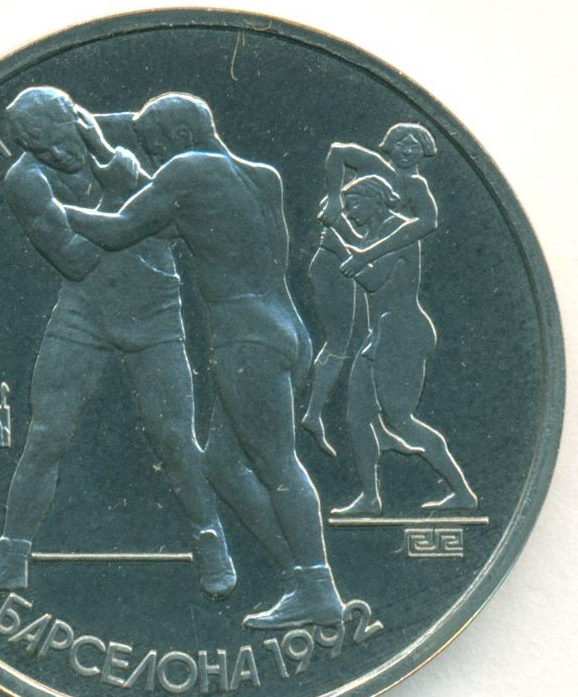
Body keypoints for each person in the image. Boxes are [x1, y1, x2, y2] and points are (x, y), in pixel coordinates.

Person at [62, 93, 344, 629]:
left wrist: (53, 211)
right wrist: (103, 150)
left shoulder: (187, 169)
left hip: (245, 339)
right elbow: (166, 218)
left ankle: (318, 586)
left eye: (155, 147)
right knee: (222, 465)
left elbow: (120, 229)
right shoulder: (261, 177)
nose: (156, 158)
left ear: (176, 139)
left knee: (278, 464)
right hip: (286, 330)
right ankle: (301, 578)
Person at [0, 87, 236, 598]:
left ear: (74, 119)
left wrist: (120, 178)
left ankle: (212, 541)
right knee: (46, 435)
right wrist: (122, 193)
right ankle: (11, 558)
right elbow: (75, 260)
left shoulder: (132, 131)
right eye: (40, 148)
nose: (57, 153)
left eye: (60, 140)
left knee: (174, 436)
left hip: (154, 309)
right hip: (83, 312)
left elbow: (181, 221)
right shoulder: (26, 180)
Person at [322, 174, 477, 515]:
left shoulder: (400, 232)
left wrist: (339, 249)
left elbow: (373, 280)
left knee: (401, 419)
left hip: (403, 332)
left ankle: (462, 492)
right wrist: (342, 235)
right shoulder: (375, 233)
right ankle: (370, 498)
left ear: (375, 199)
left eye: (354, 205)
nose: (350, 213)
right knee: (357, 417)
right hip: (380, 334)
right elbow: (366, 261)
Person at [303, 123, 440, 456]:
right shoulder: (375, 166)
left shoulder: (416, 186)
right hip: (340, 262)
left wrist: (365, 251)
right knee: (341, 341)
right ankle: (313, 415)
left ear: (424, 152)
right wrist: (334, 198)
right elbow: (337, 151)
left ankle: (376, 428)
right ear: (389, 146)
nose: (407, 150)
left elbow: (427, 223)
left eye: (414, 145)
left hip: (362, 261)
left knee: (365, 338)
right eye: (401, 143)